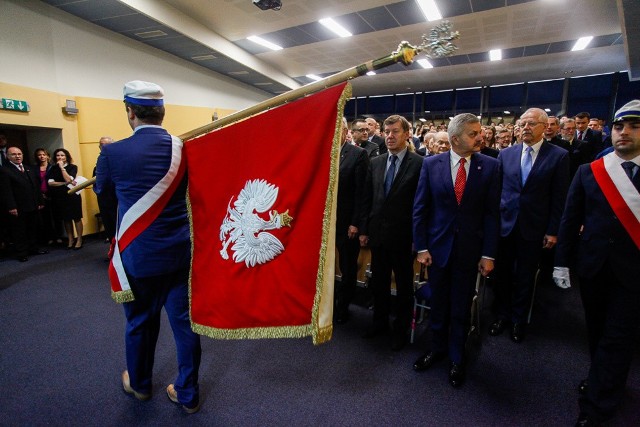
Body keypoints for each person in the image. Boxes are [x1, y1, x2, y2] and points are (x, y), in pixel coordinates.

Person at [94, 80, 201, 413]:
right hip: (180, 251)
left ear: (129, 112)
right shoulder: (184, 147)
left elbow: (104, 196)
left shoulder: (112, 153)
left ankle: (140, 386)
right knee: (184, 324)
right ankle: (187, 394)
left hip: (137, 254)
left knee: (140, 321)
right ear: (162, 112)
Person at [553, 100, 640, 427]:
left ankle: (596, 407)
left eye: (633, 126)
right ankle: (605, 377)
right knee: (598, 331)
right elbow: (569, 218)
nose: (624, 132)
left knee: (619, 336)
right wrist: (561, 263)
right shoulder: (590, 171)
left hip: (634, 272)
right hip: (593, 267)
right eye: (619, 126)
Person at [412, 113, 500, 387]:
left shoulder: (491, 166)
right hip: (437, 250)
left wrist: (488, 254)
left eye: (479, 132)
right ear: (454, 139)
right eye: (473, 133)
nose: (480, 137)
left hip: (469, 251)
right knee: (438, 304)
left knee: (460, 307)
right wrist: (422, 247)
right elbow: (420, 209)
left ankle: (456, 357)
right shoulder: (430, 164)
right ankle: (437, 348)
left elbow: (492, 215)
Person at [490, 108, 570, 343]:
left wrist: (553, 230)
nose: (525, 128)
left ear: (545, 127)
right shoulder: (506, 154)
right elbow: (497, 192)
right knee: (502, 273)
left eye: (531, 124)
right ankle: (502, 315)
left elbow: (559, 197)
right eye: (522, 124)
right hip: (505, 225)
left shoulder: (558, 156)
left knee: (524, 275)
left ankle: (518, 319)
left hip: (534, 226)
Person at [360, 114, 422, 351]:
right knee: (379, 283)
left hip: (404, 237)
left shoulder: (419, 164)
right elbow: (367, 198)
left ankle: (401, 329)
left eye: (395, 131)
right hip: (377, 235)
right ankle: (379, 323)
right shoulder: (376, 162)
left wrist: (419, 238)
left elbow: (421, 205)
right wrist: (365, 229)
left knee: (405, 287)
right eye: (387, 131)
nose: (390, 136)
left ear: (407, 134)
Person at [334, 117, 369, 324]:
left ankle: (343, 307)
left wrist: (356, 222)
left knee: (347, 267)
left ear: (345, 131)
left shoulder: (358, 154)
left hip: (348, 223)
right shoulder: (324, 154)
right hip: (327, 224)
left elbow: (362, 193)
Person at [0, 146, 48, 262]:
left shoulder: (28, 168)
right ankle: (21, 253)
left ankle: (33, 248)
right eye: (14, 154)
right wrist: (11, 206)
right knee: (19, 230)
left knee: (32, 228)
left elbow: (35, 187)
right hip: (17, 206)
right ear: (8, 156)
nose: (17, 156)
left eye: (19, 154)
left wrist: (39, 201)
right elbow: (6, 190)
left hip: (32, 204)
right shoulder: (4, 170)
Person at [47, 148, 84, 249]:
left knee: (76, 217)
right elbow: (50, 183)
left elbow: (69, 179)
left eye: (62, 155)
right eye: (58, 155)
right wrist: (64, 183)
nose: (60, 157)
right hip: (60, 196)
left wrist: (62, 168)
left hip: (72, 195)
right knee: (66, 218)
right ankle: (70, 239)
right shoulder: (53, 168)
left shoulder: (72, 167)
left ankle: (79, 239)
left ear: (66, 157)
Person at [33, 148, 60, 245]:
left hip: (53, 194)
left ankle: (58, 236)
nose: (42, 156)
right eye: (39, 155)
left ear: (47, 156)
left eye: (44, 154)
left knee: (56, 216)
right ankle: (50, 237)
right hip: (41, 195)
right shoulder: (34, 168)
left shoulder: (53, 167)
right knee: (45, 217)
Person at [93, 137, 117, 244]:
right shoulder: (99, 163)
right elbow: (97, 184)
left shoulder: (118, 161)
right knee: (109, 226)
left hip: (117, 199)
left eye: (107, 145)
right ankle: (112, 252)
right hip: (104, 200)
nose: (104, 147)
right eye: (102, 145)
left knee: (118, 225)